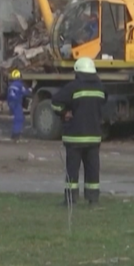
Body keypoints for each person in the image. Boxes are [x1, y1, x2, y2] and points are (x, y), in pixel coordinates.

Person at [51, 57, 107, 206]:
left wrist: (64, 112)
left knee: (72, 170)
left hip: (75, 136)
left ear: (78, 72)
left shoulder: (73, 87)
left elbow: (55, 102)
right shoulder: (100, 87)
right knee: (93, 169)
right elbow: (103, 104)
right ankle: (93, 200)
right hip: (94, 136)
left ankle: (70, 200)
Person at [5, 69, 31, 142]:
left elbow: (8, 95)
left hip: (11, 102)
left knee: (16, 118)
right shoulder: (20, 84)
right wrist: (30, 90)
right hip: (17, 102)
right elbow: (25, 92)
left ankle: (15, 134)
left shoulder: (11, 85)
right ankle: (16, 134)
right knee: (19, 118)